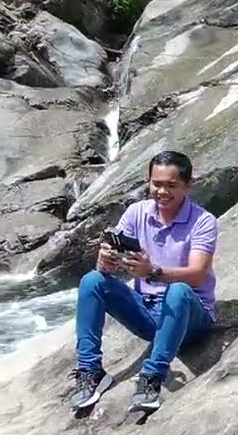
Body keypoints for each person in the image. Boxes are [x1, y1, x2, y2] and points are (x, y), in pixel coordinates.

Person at [68, 151, 219, 413]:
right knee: (92, 281)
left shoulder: (203, 222)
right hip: (148, 312)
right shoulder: (136, 213)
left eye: (171, 185)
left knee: (179, 291)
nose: (162, 192)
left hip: (190, 317)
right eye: (156, 184)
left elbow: (196, 274)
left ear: (187, 184)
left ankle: (152, 376)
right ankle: (90, 370)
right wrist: (106, 261)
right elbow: (108, 263)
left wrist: (152, 272)